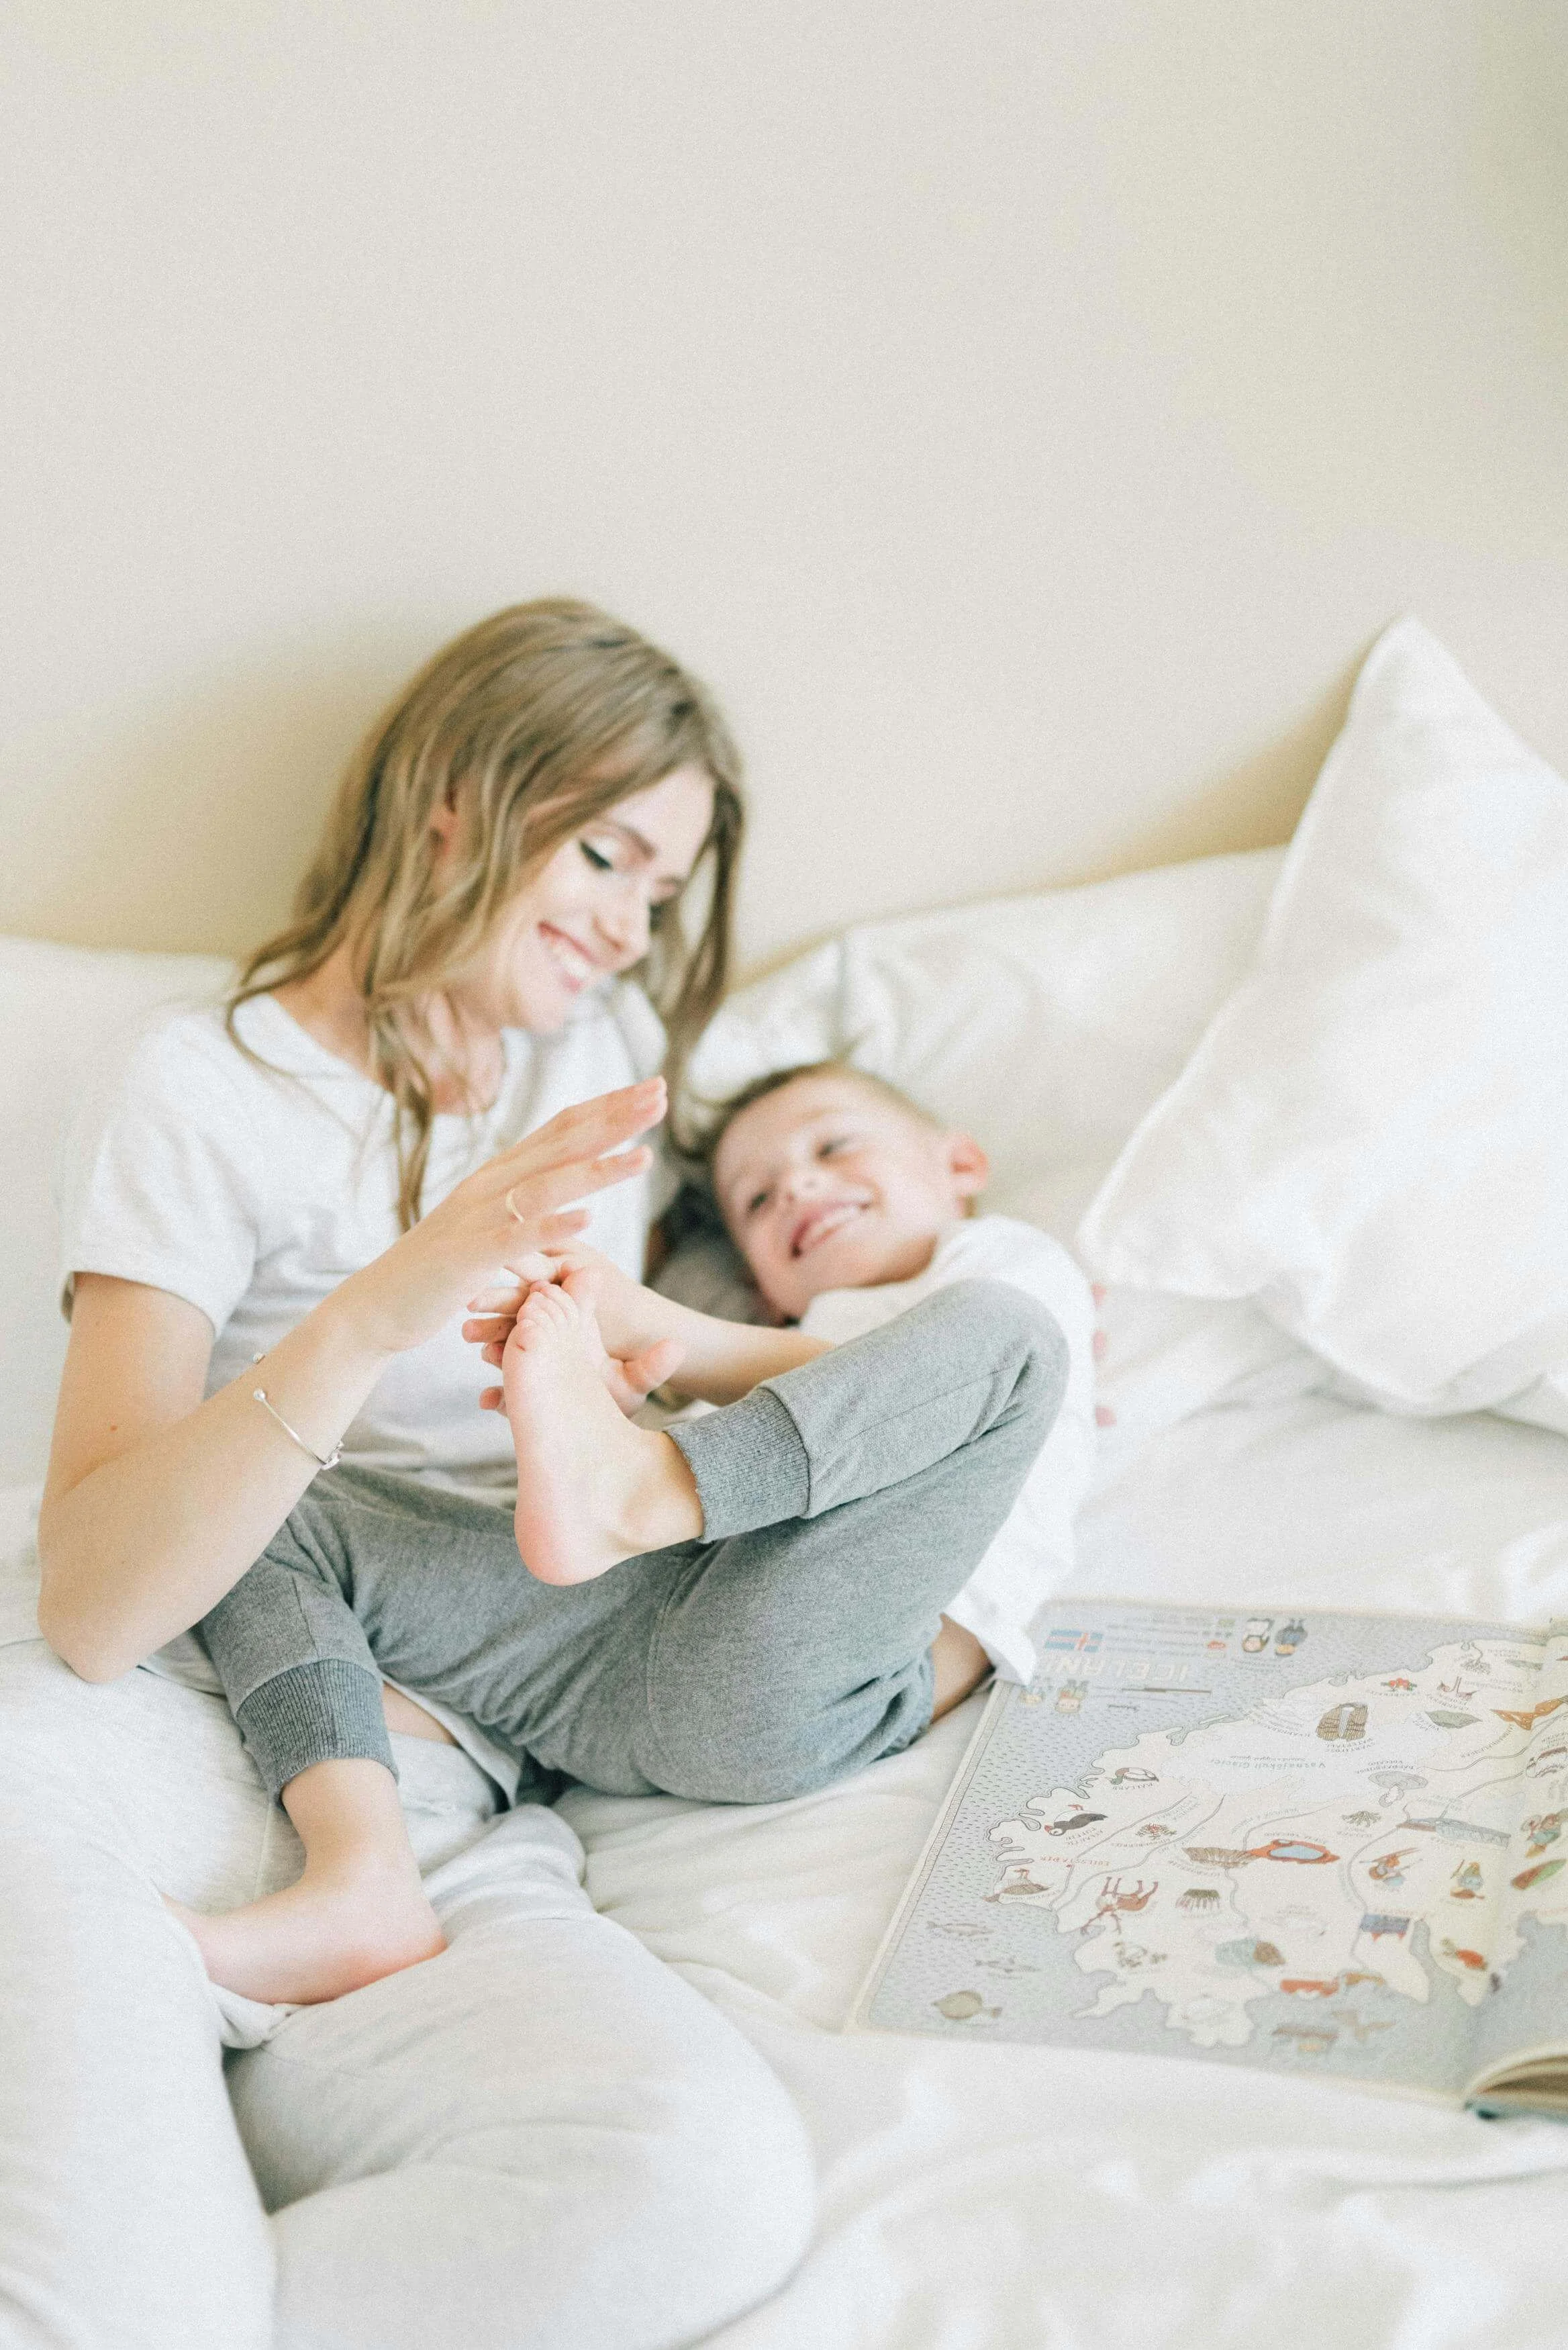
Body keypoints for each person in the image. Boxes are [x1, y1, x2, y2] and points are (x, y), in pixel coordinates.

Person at [31, 600, 815, 2349]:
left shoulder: (595, 1060)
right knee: (124, 2292)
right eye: (604, 854)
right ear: (456, 797)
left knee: (697, 2176)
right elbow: (91, 1598)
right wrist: (383, 1302)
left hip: (442, 1790)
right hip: (148, 1741)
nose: (628, 926)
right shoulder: (205, 1084)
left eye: (662, 891)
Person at [178, 1060, 1087, 2005]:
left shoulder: (999, 1264)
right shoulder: (759, 1371)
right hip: (619, 1665)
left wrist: (651, 1331)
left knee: (1011, 1336)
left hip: (813, 1668)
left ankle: (641, 1489)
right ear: (761, 1282)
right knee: (257, 1507)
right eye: (757, 1200)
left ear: (959, 1165)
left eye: (834, 1144)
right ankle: (360, 1876)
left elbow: (888, 1386)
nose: (797, 1187)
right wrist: (592, 1400)